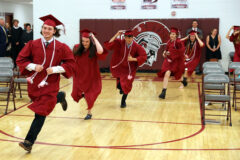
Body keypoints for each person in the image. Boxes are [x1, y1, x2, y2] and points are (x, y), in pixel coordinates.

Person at [16, 14, 75, 152]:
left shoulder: (61, 47)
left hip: (50, 84)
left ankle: (29, 141)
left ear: (54, 31)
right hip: (35, 84)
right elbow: (21, 60)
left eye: (49, 29)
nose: (46, 31)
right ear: (41, 29)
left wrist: (55, 69)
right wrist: (32, 66)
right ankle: (60, 97)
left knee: (40, 112)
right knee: (42, 106)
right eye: (44, 28)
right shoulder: (32, 44)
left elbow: (71, 64)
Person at [104, 30, 147, 108]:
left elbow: (143, 56)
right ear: (125, 37)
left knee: (127, 86)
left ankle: (123, 101)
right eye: (127, 37)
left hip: (130, 69)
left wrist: (133, 59)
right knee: (121, 85)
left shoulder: (136, 46)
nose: (129, 39)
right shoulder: (120, 43)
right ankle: (121, 87)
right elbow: (109, 44)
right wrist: (117, 34)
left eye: (130, 37)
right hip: (120, 67)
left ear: (133, 37)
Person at [71, 29, 108, 120]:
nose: (84, 43)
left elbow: (100, 51)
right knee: (76, 93)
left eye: (87, 41)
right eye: (83, 41)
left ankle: (89, 112)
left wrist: (94, 38)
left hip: (91, 75)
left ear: (90, 41)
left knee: (90, 95)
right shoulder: (77, 47)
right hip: (79, 75)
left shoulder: (93, 48)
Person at [157, 27, 185, 99]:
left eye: (173, 34)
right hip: (169, 61)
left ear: (176, 35)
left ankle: (183, 81)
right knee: (166, 74)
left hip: (176, 61)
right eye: (171, 34)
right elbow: (166, 50)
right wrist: (164, 53)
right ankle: (163, 92)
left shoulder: (178, 42)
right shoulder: (169, 41)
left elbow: (182, 51)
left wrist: (172, 53)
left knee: (177, 77)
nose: (172, 35)